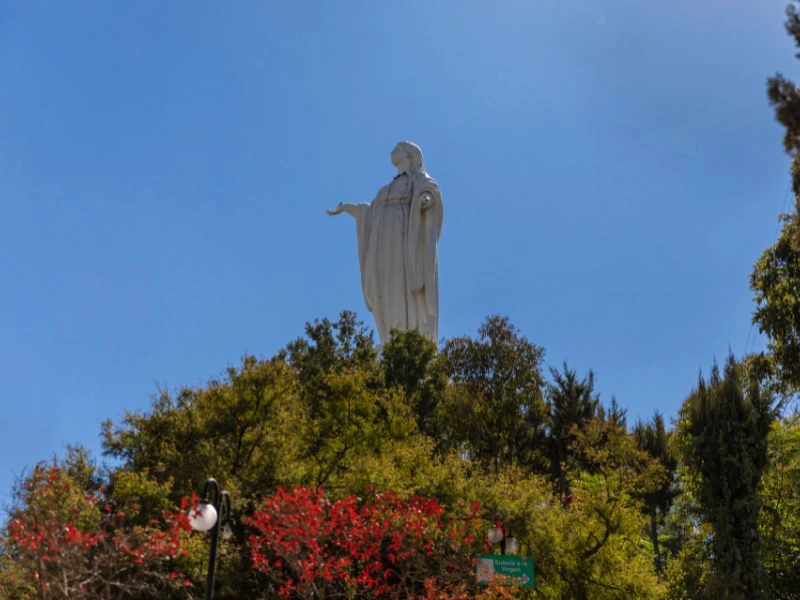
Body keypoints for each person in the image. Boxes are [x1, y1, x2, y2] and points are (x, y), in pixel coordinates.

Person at [327, 141, 443, 343]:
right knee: (386, 284)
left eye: (398, 148)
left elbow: (430, 191)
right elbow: (370, 211)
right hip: (383, 240)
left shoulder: (417, 179)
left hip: (404, 236)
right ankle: (391, 336)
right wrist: (348, 208)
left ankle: (409, 335)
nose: (393, 150)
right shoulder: (387, 188)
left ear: (410, 155)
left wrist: (425, 200)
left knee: (401, 282)